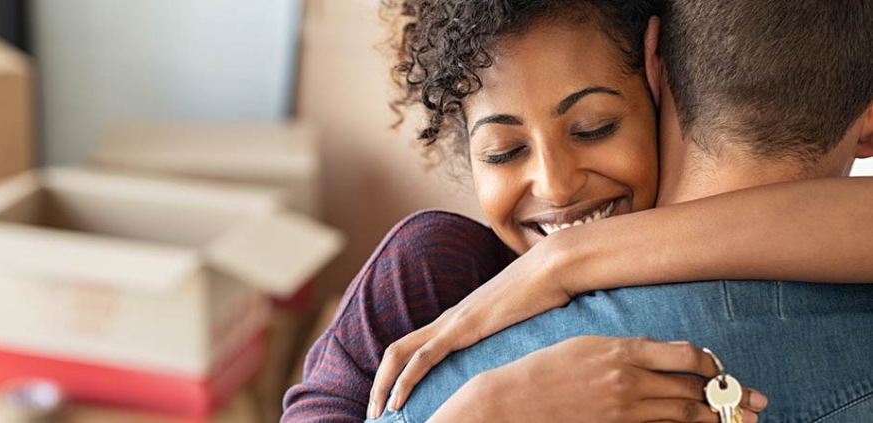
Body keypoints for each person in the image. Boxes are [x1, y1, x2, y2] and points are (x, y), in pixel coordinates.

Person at [281, 0, 873, 421]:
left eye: (595, 128)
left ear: (656, 78)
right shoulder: (432, 266)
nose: (558, 186)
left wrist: (566, 259)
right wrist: (484, 413)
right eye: (505, 151)